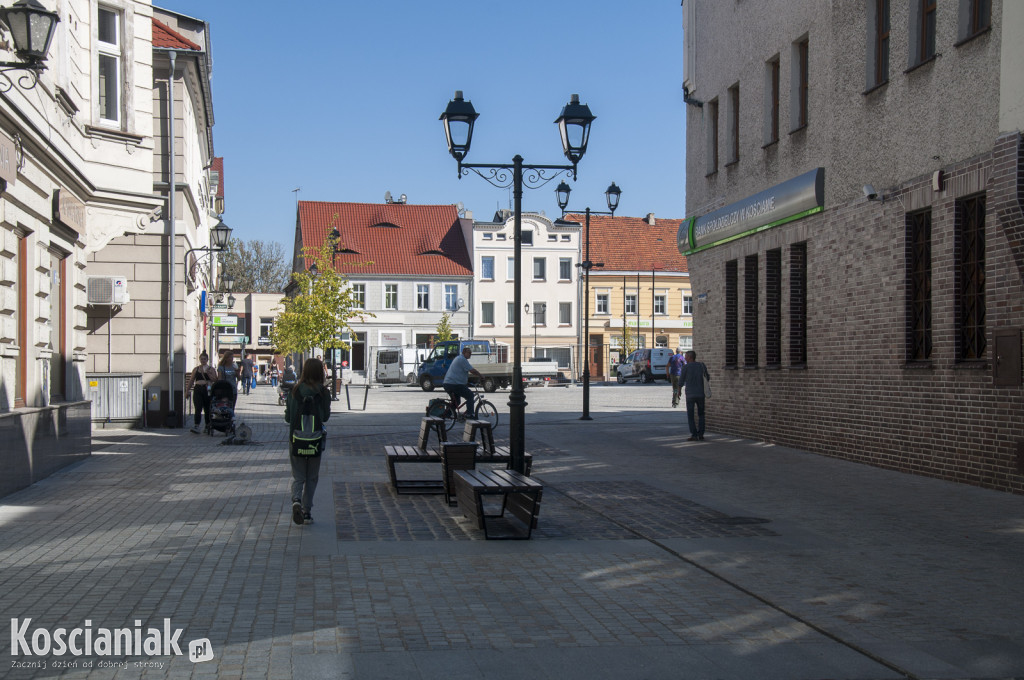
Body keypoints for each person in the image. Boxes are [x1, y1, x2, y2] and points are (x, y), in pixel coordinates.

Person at [284, 358, 331, 525]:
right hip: (315, 440)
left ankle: (296, 499)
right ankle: (306, 511)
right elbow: (325, 416)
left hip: (296, 439)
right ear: (320, 373)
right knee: (311, 477)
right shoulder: (323, 392)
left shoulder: (295, 391)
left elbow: (288, 418)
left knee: (298, 476)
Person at [443, 346, 482, 419]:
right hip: (454, 384)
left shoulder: (459, 358)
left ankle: (447, 414)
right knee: (470, 396)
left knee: (457, 401)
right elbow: (472, 370)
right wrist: (481, 376)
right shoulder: (462, 359)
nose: (470, 354)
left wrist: (466, 383)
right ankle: (470, 415)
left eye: (471, 353)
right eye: (469, 352)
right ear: (464, 353)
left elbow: (460, 373)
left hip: (449, 384)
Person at [680, 350, 710, 441]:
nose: (685, 358)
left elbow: (680, 381)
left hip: (690, 395)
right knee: (701, 414)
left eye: (686, 356)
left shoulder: (685, 367)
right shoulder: (702, 366)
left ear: (690, 357)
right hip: (701, 394)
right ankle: (701, 434)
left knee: (691, 415)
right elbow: (707, 378)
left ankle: (694, 434)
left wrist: (677, 393)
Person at [186, 352, 218, 434]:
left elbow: (215, 379)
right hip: (197, 389)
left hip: (207, 389)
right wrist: (187, 390)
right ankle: (196, 425)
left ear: (207, 360)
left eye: (204, 359)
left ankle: (207, 425)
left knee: (207, 408)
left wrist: (208, 373)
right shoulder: (196, 369)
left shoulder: (211, 369)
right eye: (201, 359)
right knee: (198, 407)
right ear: (199, 359)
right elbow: (191, 380)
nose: (203, 360)